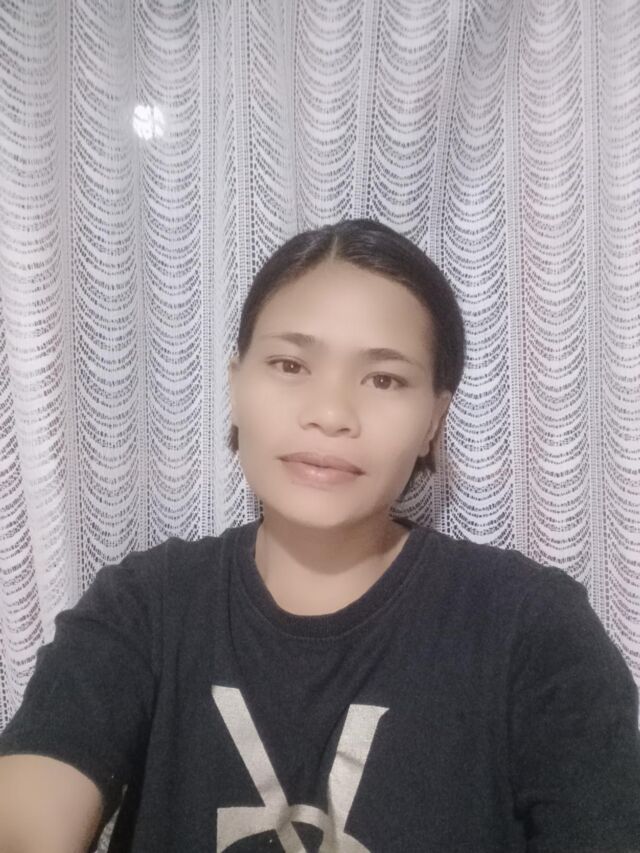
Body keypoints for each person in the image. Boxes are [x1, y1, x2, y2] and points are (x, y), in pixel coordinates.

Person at [0, 219, 639, 853]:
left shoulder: (531, 627)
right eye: (290, 364)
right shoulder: (145, 605)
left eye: (385, 379)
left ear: (433, 421)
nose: (331, 414)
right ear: (235, 384)